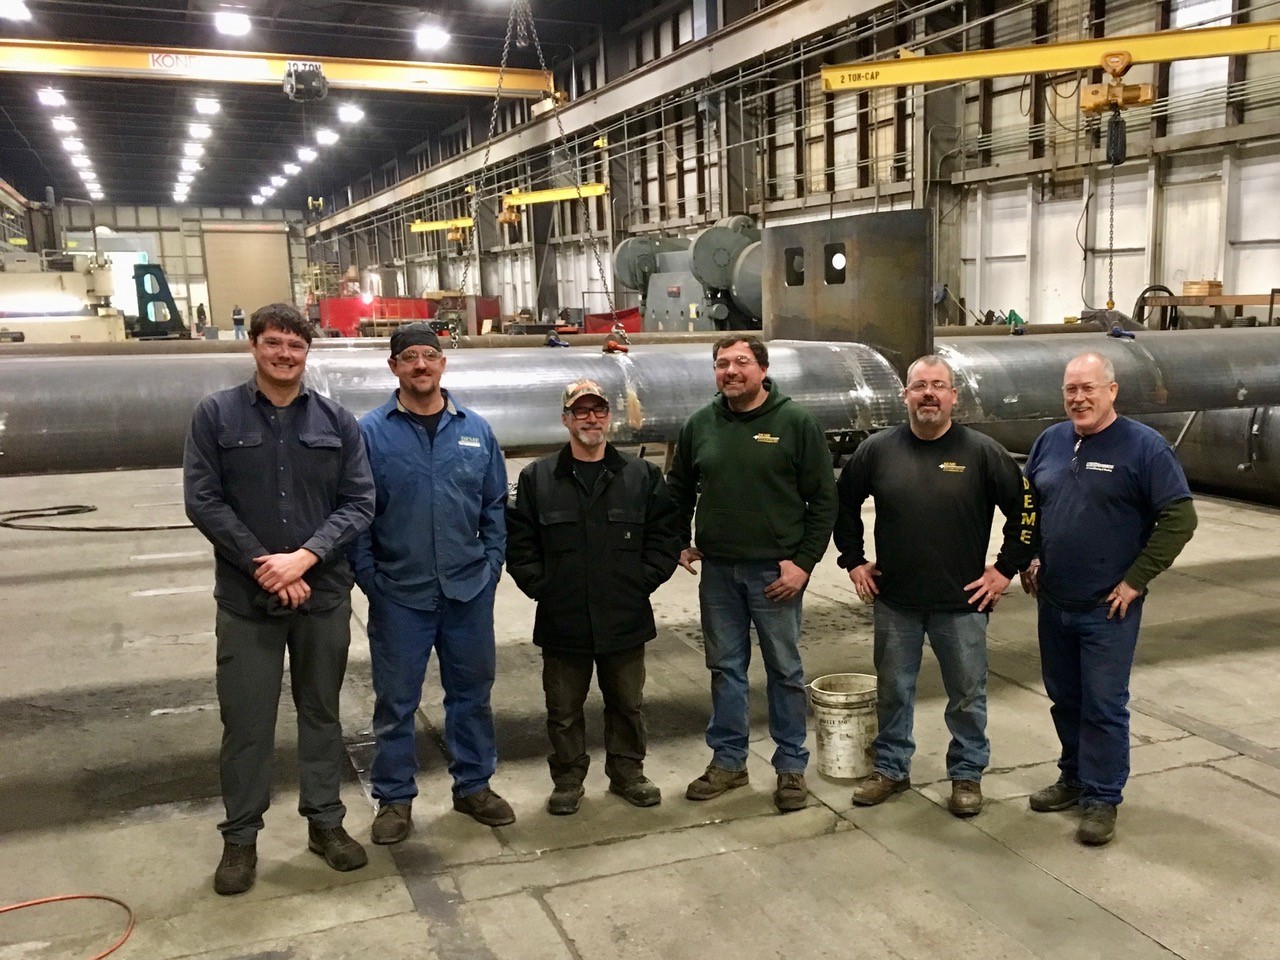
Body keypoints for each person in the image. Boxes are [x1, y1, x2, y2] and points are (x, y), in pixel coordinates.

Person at [183, 302, 375, 896]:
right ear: (254, 346)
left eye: (295, 345)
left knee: (321, 714)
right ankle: (241, 839)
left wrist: (305, 556)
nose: (284, 354)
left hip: (322, 595)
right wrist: (265, 565)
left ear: (307, 352)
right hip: (248, 602)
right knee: (247, 723)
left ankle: (325, 823)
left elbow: (359, 502)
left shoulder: (337, 421)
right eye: (274, 343)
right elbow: (203, 499)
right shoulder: (216, 415)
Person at [834, 355, 1035, 818]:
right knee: (893, 691)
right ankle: (891, 769)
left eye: (938, 385)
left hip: (961, 604)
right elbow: (841, 504)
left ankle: (966, 774)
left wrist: (1005, 570)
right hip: (895, 601)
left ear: (953, 397)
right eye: (920, 385)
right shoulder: (877, 450)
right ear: (904, 395)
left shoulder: (983, 453)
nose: (929, 393)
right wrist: (853, 561)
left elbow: (1026, 512)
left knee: (967, 696)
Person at [1022, 351, 1196, 846]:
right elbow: (1030, 505)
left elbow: (1180, 518)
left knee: (1102, 704)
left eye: (1088, 388)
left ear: (1111, 391)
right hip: (1054, 601)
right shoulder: (1050, 442)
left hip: (1108, 608)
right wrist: (1030, 555)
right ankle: (1074, 778)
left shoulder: (1144, 447)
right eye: (1071, 390)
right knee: (1065, 699)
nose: (1079, 398)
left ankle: (1102, 797)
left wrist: (1136, 580)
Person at [349, 322, 512, 845]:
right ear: (393, 366)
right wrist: (370, 578)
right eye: (409, 357)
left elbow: (494, 505)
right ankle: (395, 799)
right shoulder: (369, 433)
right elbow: (356, 511)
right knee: (396, 703)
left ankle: (474, 786)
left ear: (442, 363)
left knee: (472, 695)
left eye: (429, 355)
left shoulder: (475, 430)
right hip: (400, 593)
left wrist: (491, 565)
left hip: (468, 589)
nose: (421, 365)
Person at [667, 335, 837, 813]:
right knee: (725, 670)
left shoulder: (795, 422)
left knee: (785, 671)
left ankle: (790, 767)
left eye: (741, 361)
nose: (730, 370)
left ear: (762, 369)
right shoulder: (700, 424)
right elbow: (678, 488)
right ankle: (729, 762)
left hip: (775, 574)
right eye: (722, 363)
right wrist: (678, 538)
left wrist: (804, 563)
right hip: (719, 572)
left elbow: (824, 499)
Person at [506, 379, 682, 815]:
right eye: (580, 411)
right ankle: (568, 780)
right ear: (566, 419)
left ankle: (627, 773)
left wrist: (639, 583)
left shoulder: (640, 475)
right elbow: (520, 545)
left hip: (624, 616)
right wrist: (544, 589)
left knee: (627, 703)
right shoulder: (538, 478)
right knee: (563, 709)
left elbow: (665, 537)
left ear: (609, 418)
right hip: (563, 619)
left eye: (598, 410)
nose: (591, 419)